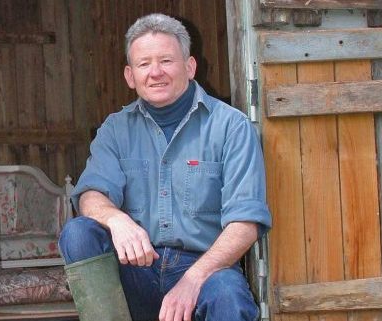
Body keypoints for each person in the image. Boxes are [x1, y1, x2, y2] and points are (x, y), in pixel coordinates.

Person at [59, 13, 272, 321]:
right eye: (144, 64)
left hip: (203, 267)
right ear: (130, 76)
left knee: (228, 293)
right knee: (78, 233)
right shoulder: (115, 129)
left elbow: (246, 224)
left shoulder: (231, 127)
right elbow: (91, 195)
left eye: (167, 61)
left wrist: (193, 279)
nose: (155, 72)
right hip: (135, 267)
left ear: (190, 66)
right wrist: (118, 221)